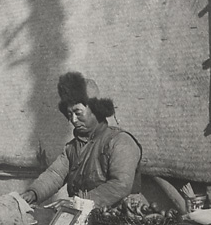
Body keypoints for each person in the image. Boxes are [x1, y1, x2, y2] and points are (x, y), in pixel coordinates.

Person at [21, 71, 143, 208]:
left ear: (96, 110)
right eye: (69, 114)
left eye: (78, 113)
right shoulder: (72, 148)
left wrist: (78, 202)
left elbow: (120, 185)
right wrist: (33, 193)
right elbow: (55, 174)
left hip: (119, 220)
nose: (73, 120)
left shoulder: (120, 142)